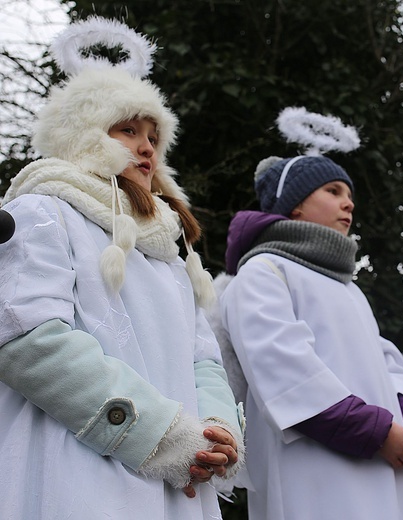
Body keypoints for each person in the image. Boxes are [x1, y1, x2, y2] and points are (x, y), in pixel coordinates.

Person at [0, 17, 244, 520]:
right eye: (128, 129)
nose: (147, 147)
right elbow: (27, 339)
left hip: (179, 476)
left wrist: (217, 431)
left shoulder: (168, 248)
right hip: (74, 465)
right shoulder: (42, 211)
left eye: (154, 135)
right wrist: (158, 433)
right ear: (83, 136)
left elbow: (204, 358)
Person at [218, 124, 403, 520]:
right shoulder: (262, 272)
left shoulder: (348, 288)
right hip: (316, 471)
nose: (348, 204)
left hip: (385, 460)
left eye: (350, 195)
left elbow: (386, 362)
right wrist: (378, 432)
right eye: (333, 192)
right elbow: (284, 371)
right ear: (294, 205)